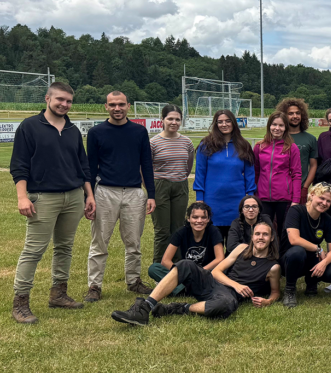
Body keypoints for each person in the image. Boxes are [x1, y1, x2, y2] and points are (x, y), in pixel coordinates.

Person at [10, 82, 95, 324]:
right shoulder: (29, 126)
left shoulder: (72, 130)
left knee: (65, 247)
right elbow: (19, 165)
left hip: (73, 196)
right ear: (47, 98)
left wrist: (89, 195)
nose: (64, 104)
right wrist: (22, 196)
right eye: (59, 99)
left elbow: (83, 166)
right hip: (42, 198)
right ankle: (20, 302)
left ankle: (58, 294)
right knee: (34, 250)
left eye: (68, 101)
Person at [110, 221, 281, 326]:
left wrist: (268, 301)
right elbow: (216, 271)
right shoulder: (242, 248)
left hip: (228, 295)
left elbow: (275, 292)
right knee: (185, 264)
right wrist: (237, 284)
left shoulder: (273, 267)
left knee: (226, 306)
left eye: (265, 235)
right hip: (214, 283)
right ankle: (144, 308)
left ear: (271, 238)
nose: (260, 237)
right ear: (252, 237)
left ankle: (178, 308)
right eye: (257, 234)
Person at [85, 91, 156, 302]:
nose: (118, 108)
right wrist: (88, 196)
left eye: (121, 104)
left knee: (133, 242)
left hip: (134, 192)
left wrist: (150, 194)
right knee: (99, 242)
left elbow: (146, 164)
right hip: (105, 191)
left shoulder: (139, 131)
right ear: (105, 107)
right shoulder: (96, 132)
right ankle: (94, 286)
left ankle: (134, 281)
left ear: (128, 106)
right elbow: (89, 167)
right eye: (113, 104)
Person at [193, 109, 256, 241]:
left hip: (237, 202)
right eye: (220, 122)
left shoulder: (244, 145)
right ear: (215, 124)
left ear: (233, 123)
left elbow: (250, 175)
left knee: (235, 246)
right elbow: (200, 174)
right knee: (214, 245)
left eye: (228, 121)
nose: (224, 124)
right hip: (212, 201)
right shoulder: (206, 145)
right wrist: (200, 200)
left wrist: (250, 197)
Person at [281, 183, 331, 307]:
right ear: (312, 195)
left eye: (328, 201)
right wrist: (318, 248)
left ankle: (311, 282)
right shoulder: (296, 211)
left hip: (311, 258)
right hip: (289, 259)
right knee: (298, 251)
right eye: (322, 198)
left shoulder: (328, 220)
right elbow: (294, 239)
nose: (324, 203)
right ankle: (289, 290)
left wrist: (323, 263)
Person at [147, 201, 225, 296]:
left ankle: (179, 289)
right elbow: (165, 261)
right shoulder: (181, 232)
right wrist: (180, 274)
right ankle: (189, 289)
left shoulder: (214, 231)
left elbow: (220, 258)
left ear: (208, 219)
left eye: (203, 217)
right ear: (188, 218)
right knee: (154, 268)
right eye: (195, 217)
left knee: (224, 271)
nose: (199, 221)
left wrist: (199, 272)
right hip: (186, 274)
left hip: (207, 273)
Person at [149, 104, 195, 265]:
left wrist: (181, 177)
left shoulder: (187, 142)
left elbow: (188, 165)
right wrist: (150, 190)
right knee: (162, 230)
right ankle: (158, 267)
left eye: (177, 119)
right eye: (170, 119)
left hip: (180, 186)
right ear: (162, 120)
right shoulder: (154, 142)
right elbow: (144, 169)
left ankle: (177, 265)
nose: (174, 122)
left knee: (178, 228)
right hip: (160, 185)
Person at [253, 111, 301, 235]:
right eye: (274, 125)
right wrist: (254, 194)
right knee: (264, 229)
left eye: (281, 125)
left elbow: (296, 174)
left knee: (283, 231)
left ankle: (282, 254)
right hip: (263, 197)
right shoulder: (259, 147)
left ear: (285, 128)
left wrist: (295, 200)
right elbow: (255, 172)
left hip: (284, 197)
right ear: (269, 126)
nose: (277, 128)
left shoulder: (291, 147)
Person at [276, 98, 318, 205]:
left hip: (300, 189)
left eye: (298, 113)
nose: (295, 116)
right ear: (284, 115)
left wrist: (305, 187)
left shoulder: (311, 139)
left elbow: (313, 165)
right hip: (279, 189)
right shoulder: (278, 137)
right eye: (290, 113)